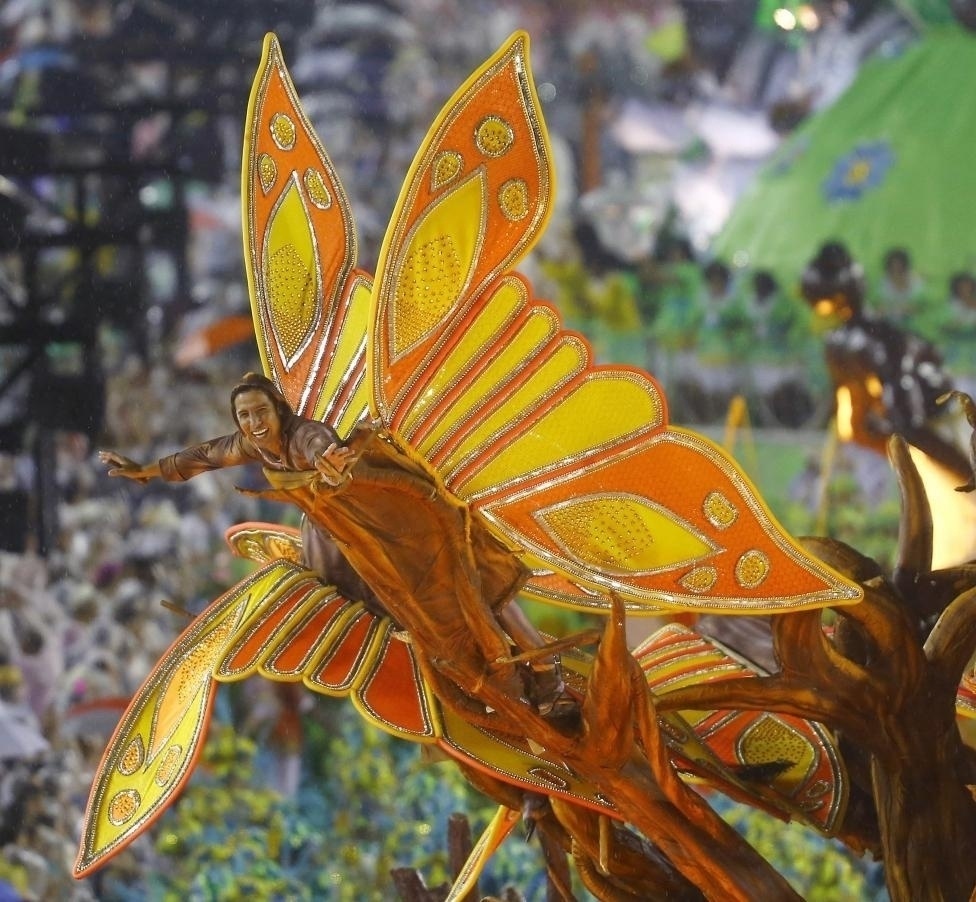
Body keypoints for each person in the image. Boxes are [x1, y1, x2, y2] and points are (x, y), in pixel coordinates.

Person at [99, 372, 571, 717]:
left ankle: (543, 667)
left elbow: (323, 451)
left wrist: (332, 463)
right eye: (244, 416)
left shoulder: (306, 435)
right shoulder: (252, 445)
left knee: (467, 579)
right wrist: (144, 471)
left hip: (382, 520)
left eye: (260, 412)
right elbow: (202, 456)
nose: (254, 422)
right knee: (355, 598)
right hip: (336, 533)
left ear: (277, 409)